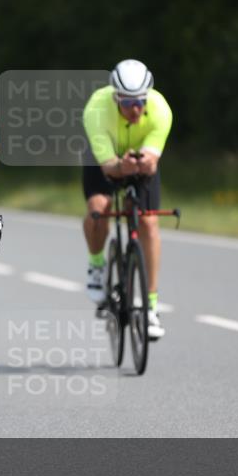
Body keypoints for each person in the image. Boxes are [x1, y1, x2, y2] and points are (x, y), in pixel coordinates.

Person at [82, 59, 173, 340]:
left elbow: (152, 160)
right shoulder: (96, 110)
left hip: (138, 159)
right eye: (128, 102)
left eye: (140, 102)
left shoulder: (160, 110)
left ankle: (151, 308)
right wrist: (118, 166)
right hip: (103, 158)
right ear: (115, 97)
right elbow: (109, 167)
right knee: (99, 208)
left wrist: (146, 161)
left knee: (149, 221)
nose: (135, 109)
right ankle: (97, 265)